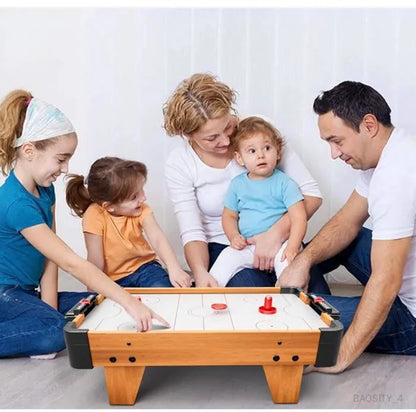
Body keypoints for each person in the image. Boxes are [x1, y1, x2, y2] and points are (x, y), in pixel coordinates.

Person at [0, 90, 168, 359]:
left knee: (97, 304)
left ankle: (36, 324)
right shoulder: (15, 203)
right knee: (54, 332)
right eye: (61, 158)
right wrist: (128, 301)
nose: (66, 169)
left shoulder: (45, 190)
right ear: (29, 150)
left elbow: (50, 258)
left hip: (26, 293)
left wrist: (49, 306)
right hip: (5, 295)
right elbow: (70, 262)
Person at [279, 81, 416, 373]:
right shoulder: (390, 150)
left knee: (292, 314)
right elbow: (346, 221)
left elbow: (386, 280)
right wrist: (302, 261)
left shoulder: (396, 177)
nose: (333, 153)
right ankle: (309, 288)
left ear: (368, 125)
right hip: (402, 273)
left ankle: (313, 304)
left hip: (411, 317)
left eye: (337, 141)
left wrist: (339, 355)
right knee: (336, 241)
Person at [163, 73, 322, 287]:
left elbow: (311, 194)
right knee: (252, 301)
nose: (227, 140)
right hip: (229, 245)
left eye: (228, 126)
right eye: (212, 138)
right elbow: (192, 230)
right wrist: (200, 273)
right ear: (187, 135)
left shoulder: (259, 134)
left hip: (282, 236)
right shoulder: (179, 162)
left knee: (313, 301)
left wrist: (274, 235)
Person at [209, 116, 307, 287]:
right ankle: (206, 295)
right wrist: (233, 236)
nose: (261, 155)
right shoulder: (238, 184)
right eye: (252, 151)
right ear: (239, 158)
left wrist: (293, 246)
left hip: (282, 244)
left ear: (278, 152)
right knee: (226, 257)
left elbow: (299, 218)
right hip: (249, 244)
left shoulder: (285, 183)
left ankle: (288, 301)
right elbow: (229, 216)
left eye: (267, 148)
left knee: (288, 266)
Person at [66, 157, 191, 288]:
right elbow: (95, 259)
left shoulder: (142, 209)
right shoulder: (93, 215)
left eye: (142, 190)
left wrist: (174, 268)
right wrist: (93, 289)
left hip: (146, 268)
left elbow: (157, 239)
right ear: (109, 206)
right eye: (134, 197)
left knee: (163, 292)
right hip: (112, 279)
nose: (143, 198)